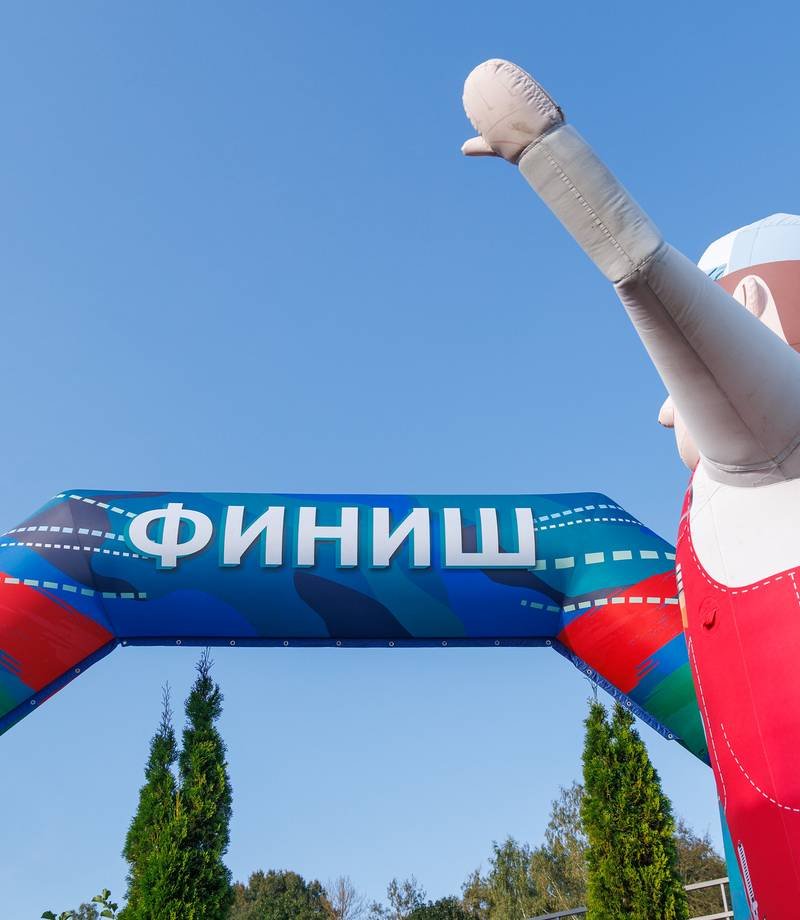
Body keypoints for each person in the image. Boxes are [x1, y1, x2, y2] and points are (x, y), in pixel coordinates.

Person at [462, 58, 800, 918]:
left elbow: (640, 265)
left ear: (751, 309)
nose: (665, 408)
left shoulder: (768, 432)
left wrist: (548, 155)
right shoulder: (727, 491)